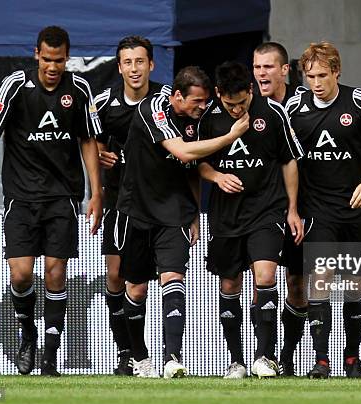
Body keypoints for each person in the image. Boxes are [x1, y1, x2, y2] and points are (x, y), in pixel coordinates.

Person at [0, 26, 103, 376]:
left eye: (60, 60)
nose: (53, 67)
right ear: (37, 54)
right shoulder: (16, 85)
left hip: (61, 197)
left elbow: (88, 141)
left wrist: (97, 193)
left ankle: (50, 356)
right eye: (47, 59)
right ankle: (28, 332)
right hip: (20, 197)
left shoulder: (78, 89)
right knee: (21, 275)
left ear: (68, 58)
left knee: (55, 272)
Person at [116, 65, 249, 378]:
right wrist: (231, 136)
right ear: (178, 96)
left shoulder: (195, 121)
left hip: (174, 211)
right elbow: (184, 154)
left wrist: (192, 213)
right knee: (135, 289)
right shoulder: (154, 109)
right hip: (137, 209)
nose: (202, 108)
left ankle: (171, 358)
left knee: (173, 278)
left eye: (205, 102)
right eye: (197, 101)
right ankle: (140, 357)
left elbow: (191, 169)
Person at [286, 42, 361, 378]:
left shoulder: (360, 102)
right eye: (310, 76)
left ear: (336, 72)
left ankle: (352, 356)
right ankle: (321, 360)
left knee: (355, 284)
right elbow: (286, 158)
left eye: (322, 75)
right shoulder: (294, 107)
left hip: (356, 209)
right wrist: (291, 206)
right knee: (319, 278)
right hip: (318, 210)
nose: (316, 82)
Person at [198, 61, 303, 378]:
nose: (235, 109)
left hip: (266, 209)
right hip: (225, 215)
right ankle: (236, 361)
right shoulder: (209, 118)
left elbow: (289, 162)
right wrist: (216, 176)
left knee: (266, 276)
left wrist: (293, 209)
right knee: (230, 283)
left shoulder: (273, 113)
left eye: (241, 102)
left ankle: (265, 356)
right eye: (229, 104)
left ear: (251, 90)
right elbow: (196, 162)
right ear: (218, 95)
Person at [94, 35, 169, 376]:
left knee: (148, 281)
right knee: (115, 276)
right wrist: (97, 154)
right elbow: (87, 142)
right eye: (128, 62)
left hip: (158, 204)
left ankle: (166, 357)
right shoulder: (104, 103)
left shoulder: (166, 100)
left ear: (151, 64)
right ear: (120, 66)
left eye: (140, 61)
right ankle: (127, 352)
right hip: (117, 203)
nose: (134, 69)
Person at [252, 41, 309, 376]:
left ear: (285, 70)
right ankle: (264, 355)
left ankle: (286, 356)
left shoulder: (302, 105)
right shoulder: (247, 106)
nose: (262, 74)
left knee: (298, 285)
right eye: (258, 67)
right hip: (260, 213)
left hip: (300, 209)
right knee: (263, 280)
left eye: (269, 67)